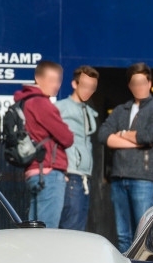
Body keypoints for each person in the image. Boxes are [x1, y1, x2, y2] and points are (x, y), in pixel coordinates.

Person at [97, 62, 153, 252]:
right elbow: (103, 135)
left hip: (143, 179)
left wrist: (121, 134)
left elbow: (150, 136)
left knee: (143, 234)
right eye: (135, 83)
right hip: (119, 179)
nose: (139, 87)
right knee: (122, 235)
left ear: (150, 83)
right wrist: (136, 140)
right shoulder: (121, 110)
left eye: (142, 83)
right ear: (129, 85)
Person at [13, 60, 74, 229]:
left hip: (33, 171)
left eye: (59, 80)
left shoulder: (24, 102)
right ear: (38, 79)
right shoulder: (41, 103)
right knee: (47, 232)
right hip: (48, 173)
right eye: (52, 79)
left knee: (35, 229)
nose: (56, 85)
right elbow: (67, 138)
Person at [57, 65, 100, 231]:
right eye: (84, 86)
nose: (88, 90)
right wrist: (61, 170)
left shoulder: (88, 110)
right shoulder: (61, 108)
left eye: (92, 87)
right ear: (74, 84)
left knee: (78, 231)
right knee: (70, 230)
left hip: (84, 178)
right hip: (71, 175)